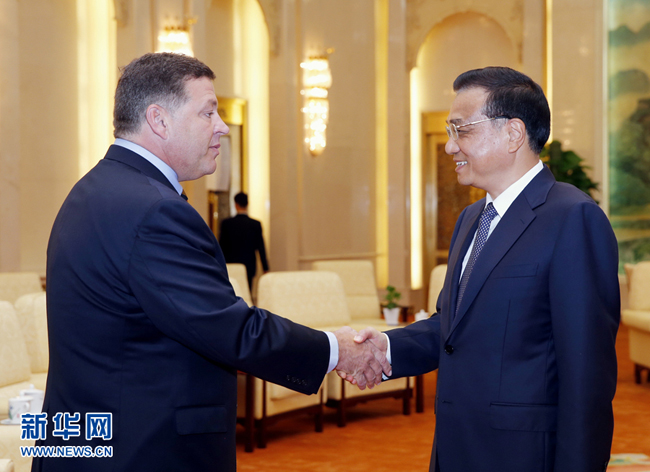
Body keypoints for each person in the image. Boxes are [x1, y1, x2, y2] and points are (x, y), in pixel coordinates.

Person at [34, 52, 389, 472]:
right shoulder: (154, 210)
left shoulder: (92, 190)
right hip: (144, 451)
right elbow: (228, 328)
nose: (222, 126)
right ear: (159, 120)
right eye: (208, 112)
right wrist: (335, 349)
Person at [351, 67, 620, 472]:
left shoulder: (573, 218)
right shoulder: (472, 218)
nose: (449, 146)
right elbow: (453, 329)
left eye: (461, 130)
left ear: (513, 133)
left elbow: (587, 377)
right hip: (456, 448)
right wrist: (385, 347)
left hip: (523, 456)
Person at [219, 192, 269, 289]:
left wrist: (220, 266)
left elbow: (222, 246)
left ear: (236, 204)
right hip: (249, 265)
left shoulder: (227, 223)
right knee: (247, 290)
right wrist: (265, 267)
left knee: (232, 289)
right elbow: (261, 247)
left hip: (231, 265)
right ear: (247, 204)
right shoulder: (255, 224)